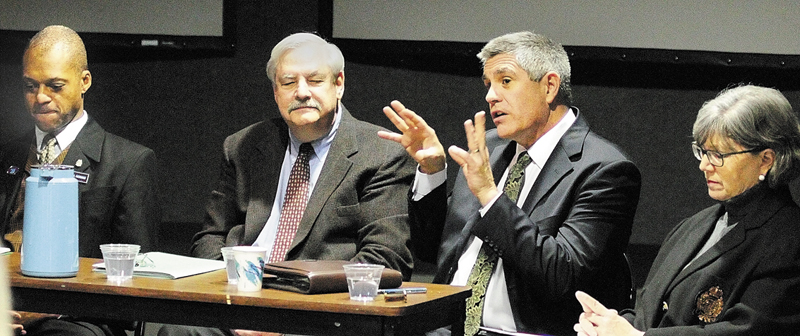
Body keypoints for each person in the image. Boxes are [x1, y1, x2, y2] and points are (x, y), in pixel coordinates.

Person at [379, 31, 642, 335]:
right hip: (446, 328)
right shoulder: (488, 148)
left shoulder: (605, 169)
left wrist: (490, 196)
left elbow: (562, 275)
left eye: (505, 81)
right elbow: (433, 249)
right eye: (488, 84)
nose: (491, 95)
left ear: (549, 86)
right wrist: (432, 172)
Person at [159, 32, 415, 336]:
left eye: (315, 80)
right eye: (289, 82)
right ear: (275, 91)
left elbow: (384, 258)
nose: (302, 92)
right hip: (240, 305)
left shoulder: (381, 153)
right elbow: (210, 239)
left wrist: (283, 315)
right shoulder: (243, 146)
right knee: (176, 331)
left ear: (339, 84)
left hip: (320, 317)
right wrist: (236, 304)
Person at [574, 85, 800, 336]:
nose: (704, 165)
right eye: (702, 151)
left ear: (766, 159)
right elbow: (650, 314)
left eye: (718, 155)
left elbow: (750, 330)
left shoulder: (789, 241)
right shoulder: (692, 227)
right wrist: (608, 324)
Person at [0, 25, 160, 336]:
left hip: (78, 317)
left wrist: (54, 309)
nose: (40, 97)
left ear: (84, 81)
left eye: (54, 86)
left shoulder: (128, 163)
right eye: (30, 86)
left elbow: (136, 273)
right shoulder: (6, 156)